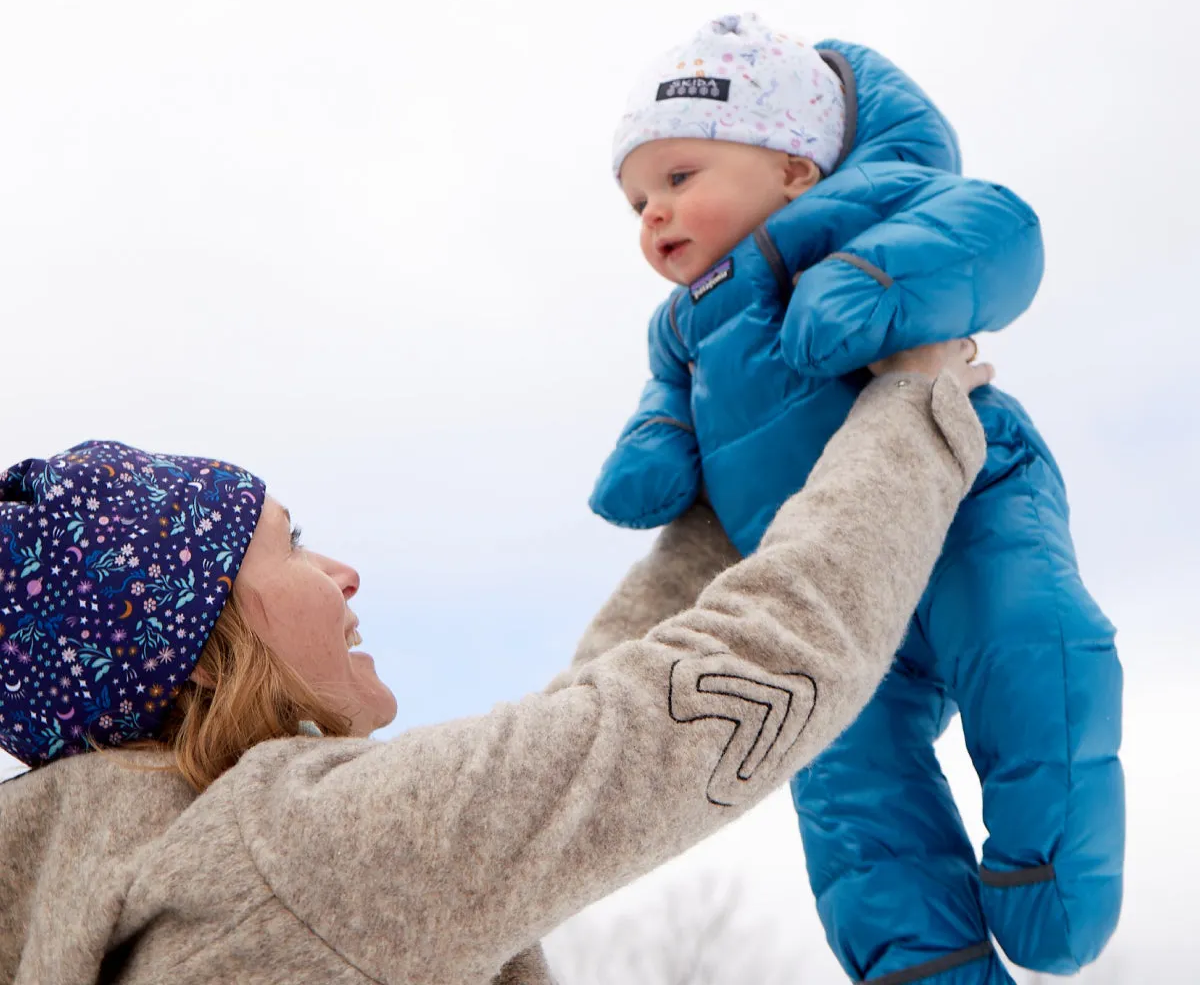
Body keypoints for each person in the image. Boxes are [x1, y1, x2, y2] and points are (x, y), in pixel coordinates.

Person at [0, 343, 988, 985]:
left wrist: (732, 501)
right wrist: (914, 407)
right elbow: (711, 695)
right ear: (201, 649)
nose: (343, 572)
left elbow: (590, 724)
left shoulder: (114, 874)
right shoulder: (295, 855)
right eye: (292, 545)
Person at [592, 14, 1124, 984]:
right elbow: (665, 410)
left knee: (1026, 640)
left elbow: (996, 230)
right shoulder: (680, 329)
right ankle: (929, 966)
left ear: (794, 169)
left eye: (678, 179)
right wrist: (653, 451)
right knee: (842, 777)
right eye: (634, 202)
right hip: (829, 580)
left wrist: (868, 281)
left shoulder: (863, 208)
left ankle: (1051, 866)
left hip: (968, 497)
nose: (652, 218)